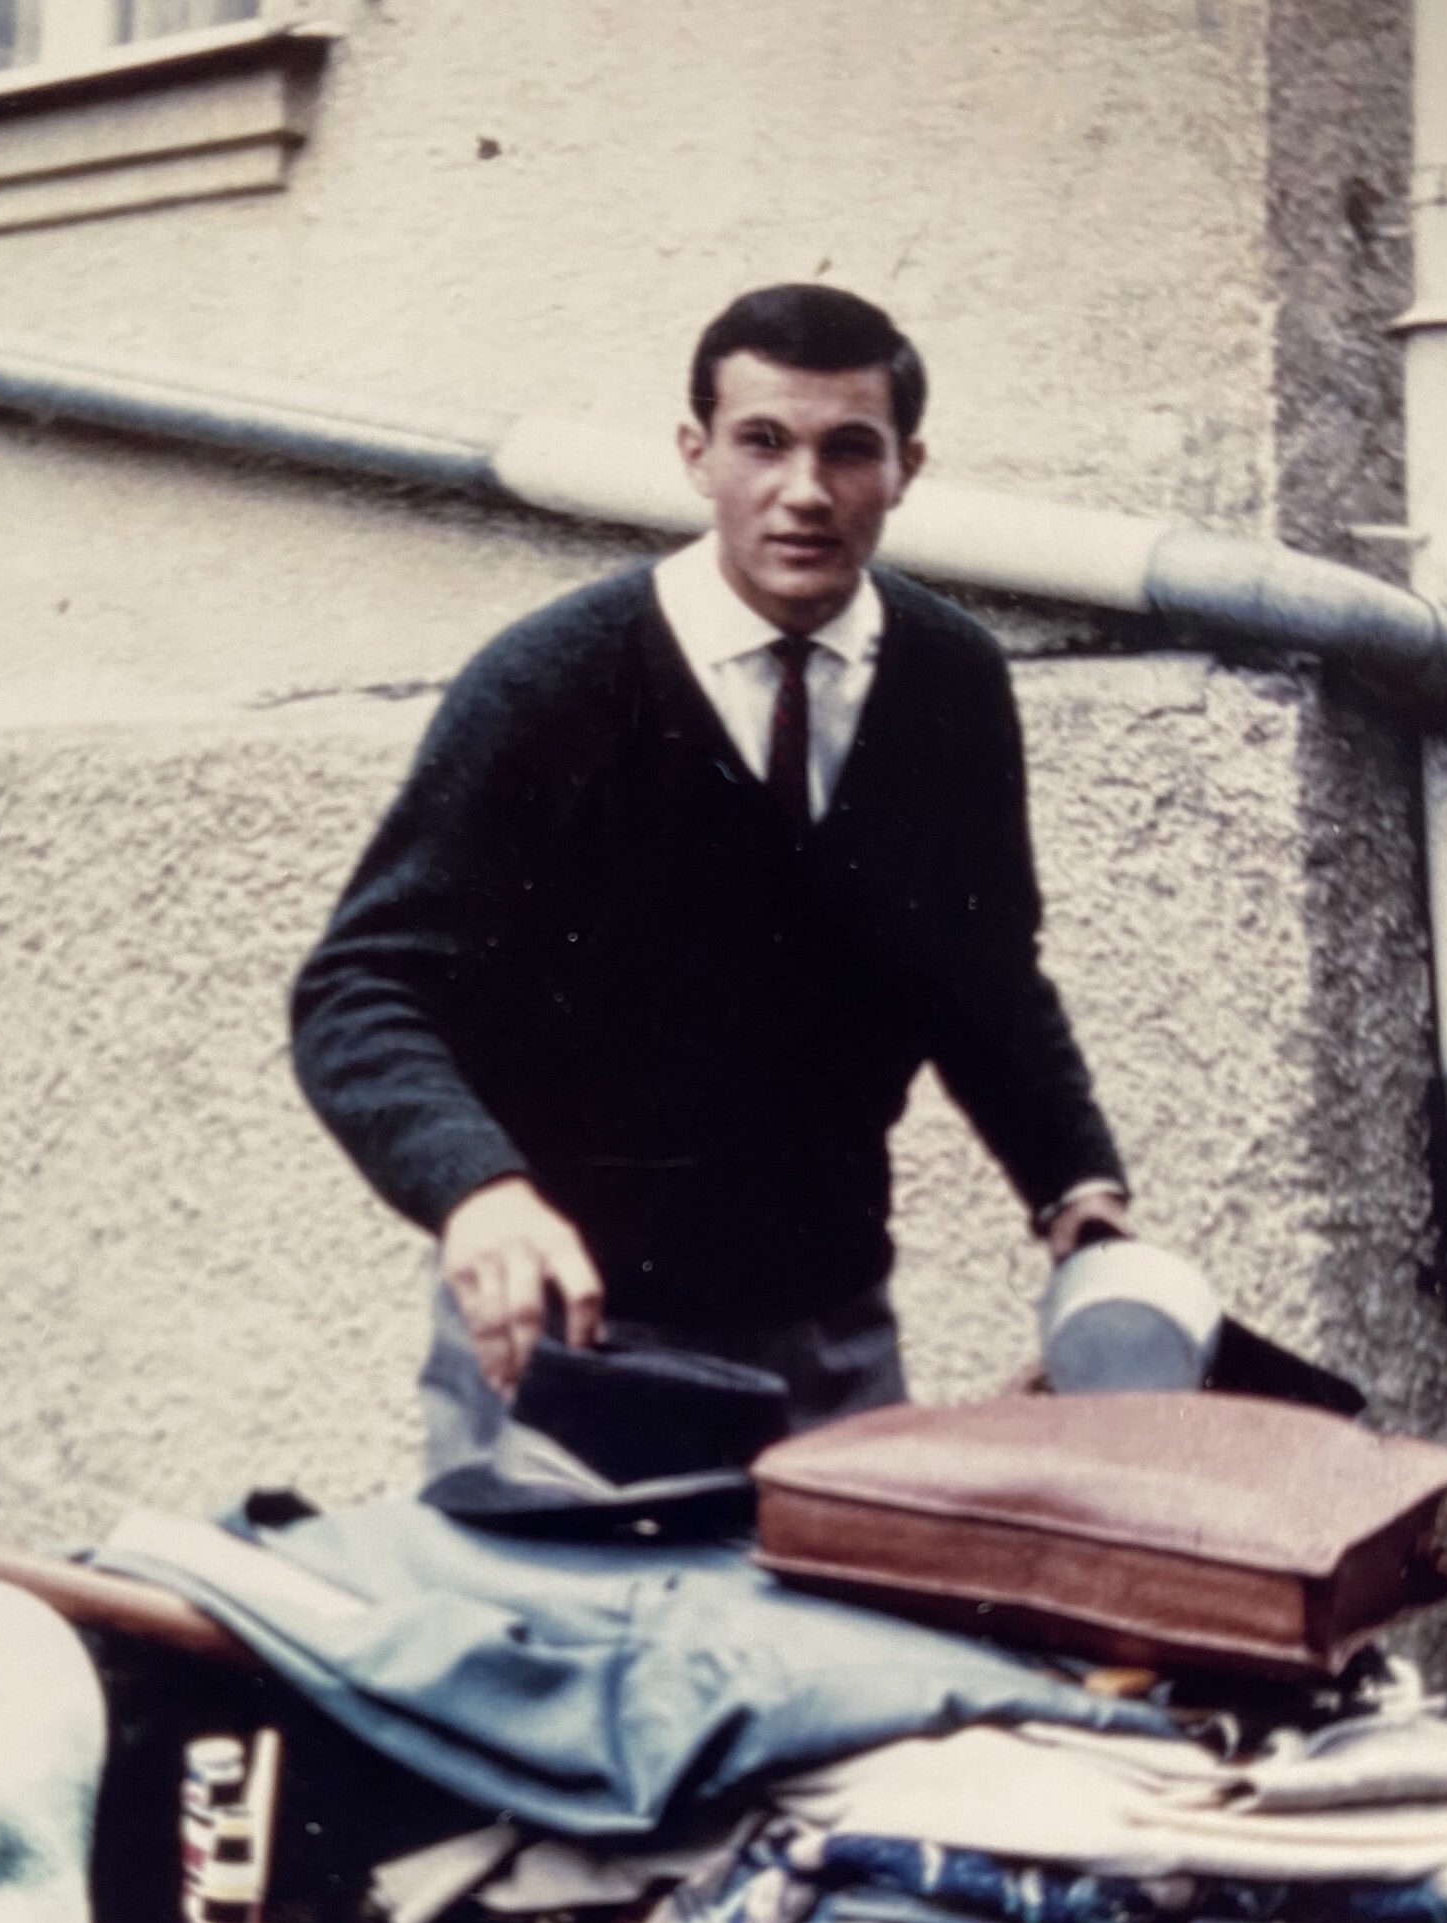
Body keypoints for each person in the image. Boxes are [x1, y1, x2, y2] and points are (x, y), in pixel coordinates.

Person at [292, 282, 1131, 1464]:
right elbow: (361, 989)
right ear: (697, 455)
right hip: (573, 1348)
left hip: (834, 1348)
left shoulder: (952, 681)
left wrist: (1078, 1192)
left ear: (907, 467)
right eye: (763, 442)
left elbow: (985, 979)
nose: (806, 490)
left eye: (850, 449)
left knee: (847, 1593)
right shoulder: (552, 685)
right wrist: (475, 1191)